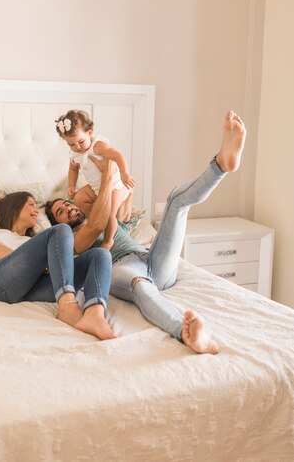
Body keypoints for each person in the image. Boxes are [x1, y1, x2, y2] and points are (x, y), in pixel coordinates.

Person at [45, 110, 247, 355]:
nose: (68, 208)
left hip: (151, 258)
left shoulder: (102, 205)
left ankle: (220, 166)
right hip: (122, 269)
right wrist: (107, 177)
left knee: (175, 201)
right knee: (140, 286)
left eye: (66, 204)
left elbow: (124, 211)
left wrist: (123, 181)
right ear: (58, 225)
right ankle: (185, 332)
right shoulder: (74, 240)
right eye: (61, 212)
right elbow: (97, 223)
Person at [0, 191, 115, 340]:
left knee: (100, 254)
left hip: (30, 290)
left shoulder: (35, 241)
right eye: (31, 205)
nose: (36, 210)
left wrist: (43, 265)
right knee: (62, 229)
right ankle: (67, 305)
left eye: (36, 206)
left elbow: (59, 266)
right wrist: (36, 263)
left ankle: (95, 314)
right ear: (15, 208)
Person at [55, 109, 135, 250]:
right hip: (95, 187)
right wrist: (71, 186)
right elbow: (73, 169)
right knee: (79, 198)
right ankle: (97, 219)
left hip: (115, 186)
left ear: (90, 132)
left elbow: (118, 155)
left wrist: (124, 173)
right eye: (71, 144)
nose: (77, 147)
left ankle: (108, 240)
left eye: (80, 142)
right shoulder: (74, 154)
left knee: (110, 213)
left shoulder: (97, 146)